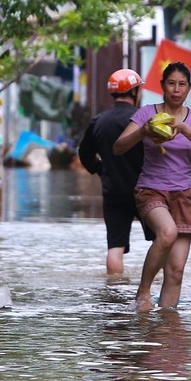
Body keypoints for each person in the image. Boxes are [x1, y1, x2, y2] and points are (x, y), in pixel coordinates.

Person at [113, 62, 191, 311]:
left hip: (184, 195)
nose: (176, 89)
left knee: (176, 271)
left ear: (189, 88)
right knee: (167, 232)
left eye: (182, 84)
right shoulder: (147, 113)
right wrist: (144, 132)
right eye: (171, 83)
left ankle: (169, 331)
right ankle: (144, 291)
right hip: (151, 190)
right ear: (162, 86)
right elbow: (118, 147)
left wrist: (185, 129)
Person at [78, 68, 144, 275]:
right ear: (134, 92)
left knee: (115, 248)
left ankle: (114, 291)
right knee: (163, 240)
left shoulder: (99, 121)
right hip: (147, 192)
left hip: (113, 192)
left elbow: (84, 154)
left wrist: (101, 170)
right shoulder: (143, 120)